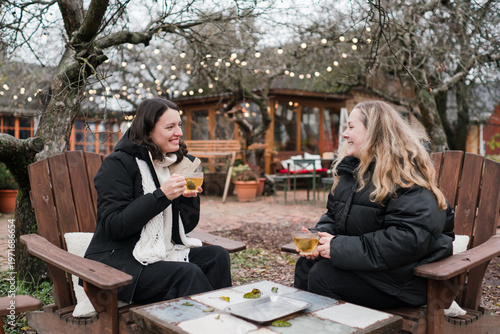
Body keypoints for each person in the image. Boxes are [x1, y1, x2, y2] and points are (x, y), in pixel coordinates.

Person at [294, 100, 454, 310]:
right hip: (372, 270)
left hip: (404, 280)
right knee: (306, 265)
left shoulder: (406, 176)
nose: (344, 134)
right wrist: (320, 237)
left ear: (374, 132)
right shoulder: (353, 172)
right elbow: (334, 216)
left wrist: (338, 247)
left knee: (322, 276)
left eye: (351, 127)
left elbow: (409, 238)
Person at [84, 98, 231, 304]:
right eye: (170, 127)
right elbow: (114, 226)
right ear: (148, 131)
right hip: (118, 262)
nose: (178, 132)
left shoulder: (170, 163)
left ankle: (219, 318)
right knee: (187, 274)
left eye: (179, 125)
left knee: (217, 256)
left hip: (162, 251)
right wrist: (162, 195)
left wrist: (188, 200)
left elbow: (185, 227)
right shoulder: (117, 164)